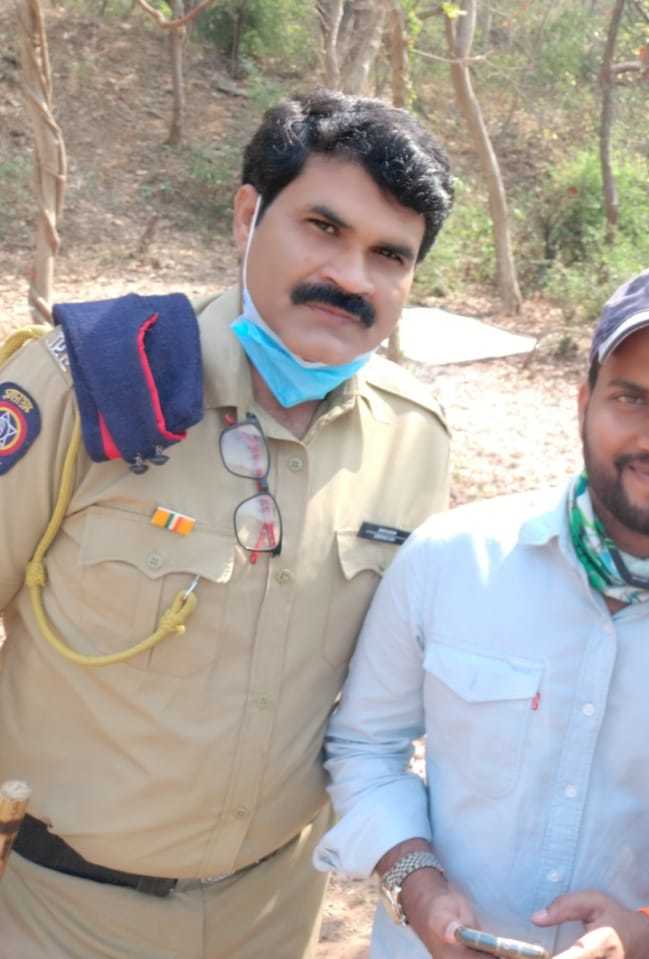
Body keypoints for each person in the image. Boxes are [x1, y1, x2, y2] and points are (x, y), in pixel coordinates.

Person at [0, 91, 455, 957]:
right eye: (323, 227)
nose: (351, 277)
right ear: (248, 216)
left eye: (389, 254)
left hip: (273, 914)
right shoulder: (90, 386)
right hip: (54, 914)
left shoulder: (416, 441)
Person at [313, 263, 649, 959]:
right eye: (632, 399)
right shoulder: (450, 560)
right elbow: (366, 747)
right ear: (584, 403)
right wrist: (418, 887)